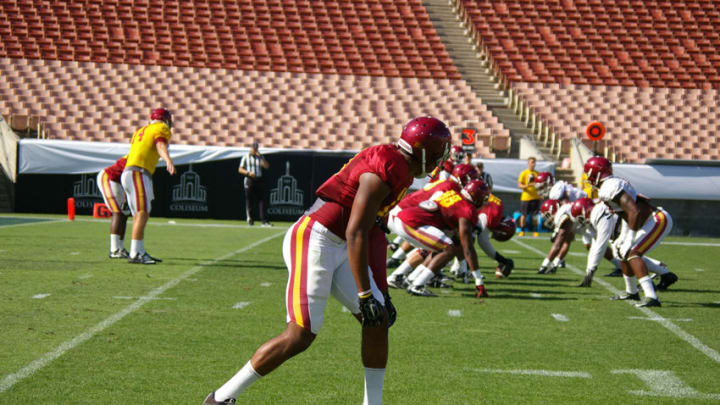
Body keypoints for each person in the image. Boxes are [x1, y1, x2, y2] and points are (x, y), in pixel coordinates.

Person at [203, 116, 451, 405]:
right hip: (315, 238)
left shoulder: (401, 168)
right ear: (423, 150)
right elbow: (356, 230)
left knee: (378, 320)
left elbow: (373, 233)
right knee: (300, 334)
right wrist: (365, 293)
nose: (441, 158)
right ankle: (220, 398)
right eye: (439, 150)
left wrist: (380, 292)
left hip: (342, 243)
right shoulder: (389, 164)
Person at [584, 156, 673, 307]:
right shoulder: (610, 185)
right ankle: (631, 291)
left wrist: (630, 238)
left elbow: (634, 211)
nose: (587, 176)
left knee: (632, 253)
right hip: (643, 221)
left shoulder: (608, 187)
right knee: (621, 252)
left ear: (597, 172)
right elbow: (627, 212)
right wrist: (623, 238)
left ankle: (652, 297)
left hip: (656, 220)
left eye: (589, 173)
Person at [388, 179, 490, 298]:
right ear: (477, 197)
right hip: (412, 222)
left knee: (440, 247)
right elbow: (467, 247)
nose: (485, 200)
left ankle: (411, 279)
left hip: (407, 218)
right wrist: (479, 280)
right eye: (484, 197)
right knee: (448, 249)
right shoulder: (467, 209)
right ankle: (417, 285)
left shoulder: (454, 194)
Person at [569, 197, 678, 289]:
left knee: (629, 253)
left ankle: (649, 285)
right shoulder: (595, 218)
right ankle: (663, 273)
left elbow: (601, 245)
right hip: (627, 229)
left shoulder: (599, 213)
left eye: (580, 218)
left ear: (585, 210)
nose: (581, 222)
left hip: (650, 221)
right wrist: (589, 270)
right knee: (623, 253)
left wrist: (591, 271)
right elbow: (595, 246)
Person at [120, 108, 175, 264]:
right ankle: (136, 253)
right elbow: (160, 145)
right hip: (138, 172)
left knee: (140, 214)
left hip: (130, 172)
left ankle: (139, 251)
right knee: (142, 213)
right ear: (165, 119)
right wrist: (168, 160)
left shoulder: (140, 131)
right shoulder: (160, 128)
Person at [97, 155, 130, 258]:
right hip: (108, 178)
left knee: (125, 214)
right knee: (118, 213)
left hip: (119, 181)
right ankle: (114, 249)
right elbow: (127, 177)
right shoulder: (136, 157)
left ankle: (120, 248)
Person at [238, 141, 271, 227]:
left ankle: (263, 220)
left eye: (256, 148)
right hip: (249, 179)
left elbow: (266, 166)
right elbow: (240, 169)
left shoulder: (260, 157)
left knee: (262, 200)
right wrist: (248, 173)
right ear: (251, 148)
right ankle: (250, 219)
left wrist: (261, 158)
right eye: (254, 148)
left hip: (259, 179)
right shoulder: (246, 157)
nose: (255, 150)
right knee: (249, 200)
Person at [516, 156, 540, 237]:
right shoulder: (524, 173)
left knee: (535, 216)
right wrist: (528, 185)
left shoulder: (537, 173)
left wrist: (541, 193)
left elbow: (540, 185)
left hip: (535, 197)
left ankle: (535, 230)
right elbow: (519, 185)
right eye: (531, 162)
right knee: (524, 214)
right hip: (526, 197)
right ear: (528, 163)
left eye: (534, 162)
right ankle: (522, 230)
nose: (533, 164)